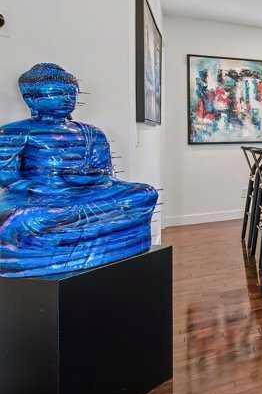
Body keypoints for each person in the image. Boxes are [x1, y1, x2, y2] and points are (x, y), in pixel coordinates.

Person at [0, 63, 157, 277]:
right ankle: (41, 258)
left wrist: (92, 180)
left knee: (145, 194)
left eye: (70, 93)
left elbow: (106, 175)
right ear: (31, 98)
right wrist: (41, 189)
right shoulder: (16, 132)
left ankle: (91, 241)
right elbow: (6, 176)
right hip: (42, 198)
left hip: (87, 193)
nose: (66, 99)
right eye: (57, 93)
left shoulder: (92, 133)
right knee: (28, 219)